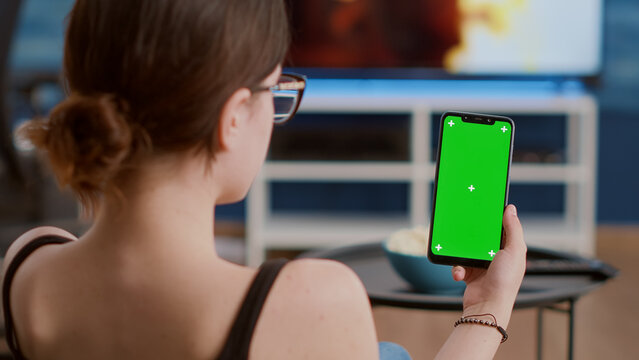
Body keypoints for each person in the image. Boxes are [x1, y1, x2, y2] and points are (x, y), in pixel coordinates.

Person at [1, 1, 527, 359]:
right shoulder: (309, 303)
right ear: (231, 118)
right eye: (276, 92)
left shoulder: (25, 268)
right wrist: (487, 310)